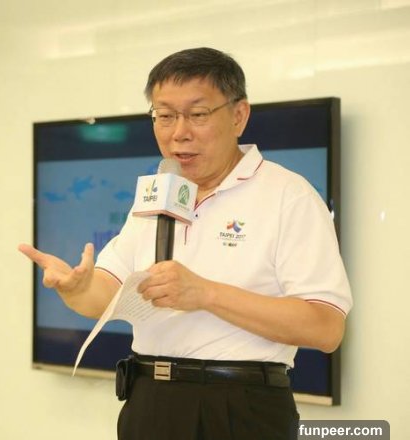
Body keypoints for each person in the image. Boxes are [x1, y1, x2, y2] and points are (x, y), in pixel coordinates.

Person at [19, 47, 352, 440]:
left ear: (239, 115)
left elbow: (325, 327)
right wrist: (76, 288)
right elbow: (103, 296)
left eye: (198, 114)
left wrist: (205, 294)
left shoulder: (288, 196)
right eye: (165, 116)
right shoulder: (156, 195)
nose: (179, 132)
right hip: (149, 400)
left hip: (240, 408)